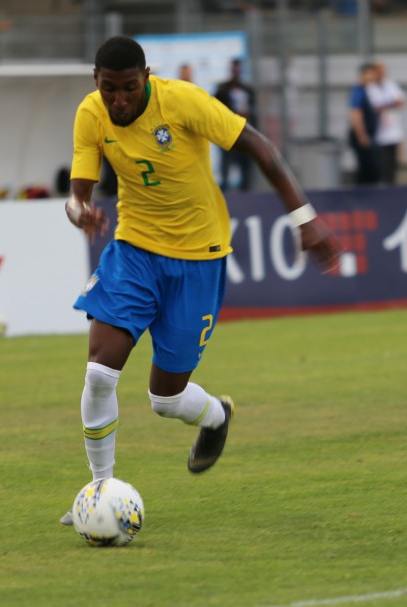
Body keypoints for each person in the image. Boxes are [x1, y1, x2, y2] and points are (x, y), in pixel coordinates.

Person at [58, 36, 339, 526]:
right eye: (109, 90)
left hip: (199, 259)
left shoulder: (183, 101)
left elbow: (261, 148)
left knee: (165, 399)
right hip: (135, 250)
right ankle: (98, 490)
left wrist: (305, 219)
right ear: (95, 82)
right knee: (100, 371)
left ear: (145, 76)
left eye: (128, 88)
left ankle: (216, 417)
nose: (119, 101)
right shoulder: (91, 113)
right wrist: (78, 211)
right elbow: (79, 191)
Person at [214, 58, 258, 191]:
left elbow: (254, 110)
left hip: (245, 133)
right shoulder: (222, 90)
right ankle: (226, 194)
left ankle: (247, 194)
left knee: (246, 167)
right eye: (234, 69)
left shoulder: (248, 90)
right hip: (228, 133)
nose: (236, 72)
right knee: (226, 167)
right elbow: (215, 109)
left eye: (239, 69)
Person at [366, 61, 406, 185]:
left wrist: (387, 105)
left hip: (393, 131)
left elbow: (401, 102)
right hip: (379, 132)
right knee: (382, 163)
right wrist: (391, 103)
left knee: (393, 163)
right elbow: (376, 106)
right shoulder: (370, 87)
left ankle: (391, 185)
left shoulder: (390, 84)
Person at [348, 63, 380, 185]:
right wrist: (362, 135)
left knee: (370, 168)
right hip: (362, 135)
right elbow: (356, 114)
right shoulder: (359, 91)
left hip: (369, 134)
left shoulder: (369, 90)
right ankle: (362, 197)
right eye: (370, 73)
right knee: (368, 168)